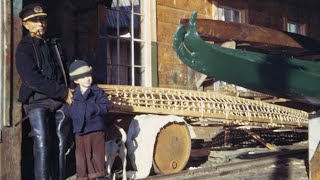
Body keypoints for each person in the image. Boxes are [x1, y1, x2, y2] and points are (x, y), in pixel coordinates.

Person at [15, 3, 73, 180]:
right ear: (25, 24)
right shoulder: (24, 48)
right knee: (42, 143)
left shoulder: (54, 44)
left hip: (59, 100)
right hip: (36, 101)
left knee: (62, 142)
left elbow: (65, 69)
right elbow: (32, 79)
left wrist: (73, 89)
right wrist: (62, 92)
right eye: (35, 21)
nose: (40, 24)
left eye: (42, 20)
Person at [63, 59, 111, 180]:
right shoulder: (73, 95)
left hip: (95, 130)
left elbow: (106, 106)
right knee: (82, 157)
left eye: (89, 75)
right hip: (80, 131)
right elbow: (67, 110)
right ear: (76, 80)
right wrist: (75, 112)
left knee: (96, 156)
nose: (87, 79)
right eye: (83, 77)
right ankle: (83, 177)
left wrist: (93, 108)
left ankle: (98, 176)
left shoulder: (98, 92)